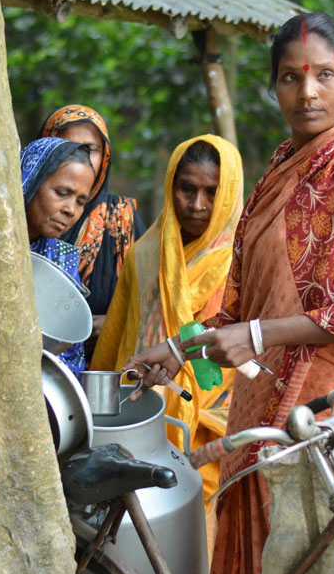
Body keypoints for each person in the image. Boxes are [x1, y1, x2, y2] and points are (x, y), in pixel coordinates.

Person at [123, 13, 334, 574]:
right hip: (260, 410)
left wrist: (258, 337)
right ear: (273, 86)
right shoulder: (278, 170)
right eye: (290, 77)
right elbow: (238, 306)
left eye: (324, 75)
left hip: (327, 415)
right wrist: (179, 347)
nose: (307, 92)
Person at [92, 135, 243, 508]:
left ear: (228, 195)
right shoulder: (145, 254)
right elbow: (117, 341)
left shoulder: (246, 260)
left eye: (212, 192)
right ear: (170, 187)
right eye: (187, 189)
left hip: (219, 429)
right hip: (142, 419)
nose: (197, 205)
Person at [38, 105, 147, 355]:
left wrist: (112, 323)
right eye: (65, 146)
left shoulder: (122, 218)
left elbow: (150, 305)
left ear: (105, 156)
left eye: (90, 149)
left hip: (104, 367)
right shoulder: (20, 222)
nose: (80, 157)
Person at [21, 136, 97, 375]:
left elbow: (69, 349)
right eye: (62, 192)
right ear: (30, 178)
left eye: (81, 201)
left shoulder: (63, 259)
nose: (70, 210)